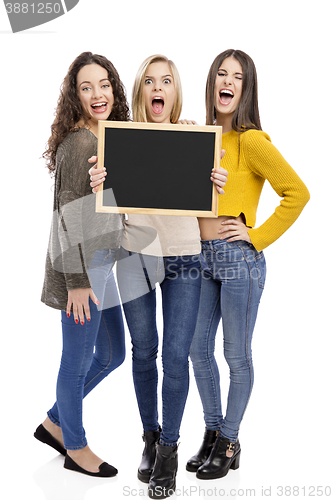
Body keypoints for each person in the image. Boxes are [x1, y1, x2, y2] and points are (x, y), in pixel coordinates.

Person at [89, 54, 227, 498]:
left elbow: (211, 200)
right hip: (135, 256)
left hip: (186, 257)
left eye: (166, 81)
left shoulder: (193, 137)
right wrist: (100, 183)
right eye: (149, 81)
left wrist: (217, 181)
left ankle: (169, 449)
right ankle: (150, 437)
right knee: (144, 350)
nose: (157, 88)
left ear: (174, 92)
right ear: (141, 91)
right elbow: (108, 203)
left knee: (175, 355)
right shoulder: (121, 140)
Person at [185, 49, 310, 480]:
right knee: (196, 350)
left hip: (240, 261)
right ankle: (213, 430)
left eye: (237, 76)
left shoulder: (252, 140)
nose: (228, 81)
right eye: (222, 73)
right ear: (212, 83)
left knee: (235, 355)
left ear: (246, 89)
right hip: (200, 259)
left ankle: (230, 439)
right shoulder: (202, 137)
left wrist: (254, 236)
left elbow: (297, 193)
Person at [34, 52, 130, 477]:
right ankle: (75, 446)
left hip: (101, 266)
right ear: (75, 94)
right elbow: (66, 216)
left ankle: (55, 420)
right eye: (86, 86)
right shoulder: (81, 143)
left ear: (114, 88)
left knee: (111, 354)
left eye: (104, 84)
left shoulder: (106, 138)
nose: (97, 94)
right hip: (83, 272)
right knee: (75, 362)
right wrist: (76, 281)